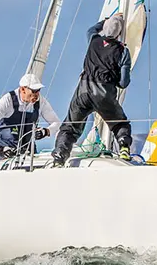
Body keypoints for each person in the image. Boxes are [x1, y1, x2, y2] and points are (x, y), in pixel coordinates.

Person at [52, 13, 133, 166]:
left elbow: (91, 29)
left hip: (83, 90)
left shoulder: (93, 40)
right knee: (120, 124)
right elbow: (123, 83)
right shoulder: (123, 51)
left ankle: (59, 156)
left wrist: (106, 20)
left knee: (70, 127)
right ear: (119, 33)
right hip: (104, 93)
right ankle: (124, 147)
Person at [0, 73, 61, 161]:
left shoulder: (41, 101)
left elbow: (57, 123)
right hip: (6, 152)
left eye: (38, 90)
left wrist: (46, 131)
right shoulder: (8, 100)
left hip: (29, 152)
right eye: (33, 91)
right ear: (23, 89)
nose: (36, 94)